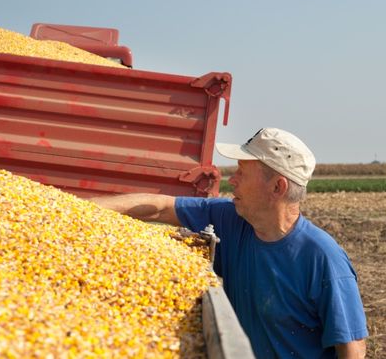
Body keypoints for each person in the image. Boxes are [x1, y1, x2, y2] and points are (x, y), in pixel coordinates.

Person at [90, 128, 368, 359]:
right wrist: (69, 207)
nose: (231, 180)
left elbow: (352, 350)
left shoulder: (322, 258)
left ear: (277, 187)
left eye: (242, 173)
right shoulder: (233, 221)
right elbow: (160, 208)